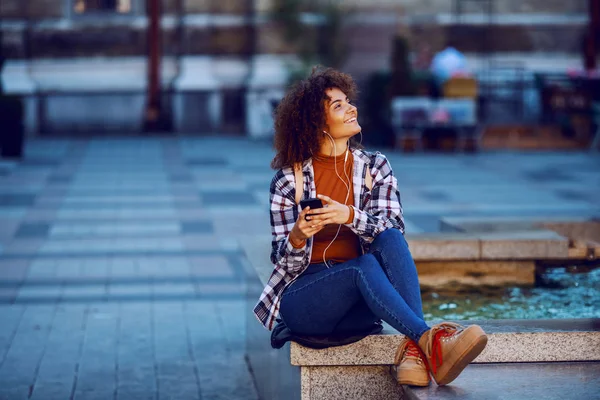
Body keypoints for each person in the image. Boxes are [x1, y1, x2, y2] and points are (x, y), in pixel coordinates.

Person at [253, 66, 487, 387]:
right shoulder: (288, 181)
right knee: (360, 266)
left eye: (348, 101)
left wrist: (348, 215)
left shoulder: (375, 167)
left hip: (358, 304)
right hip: (307, 301)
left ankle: (417, 351)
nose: (352, 108)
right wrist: (297, 237)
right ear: (316, 123)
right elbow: (284, 264)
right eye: (339, 105)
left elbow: (391, 230)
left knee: (389, 238)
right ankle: (429, 343)